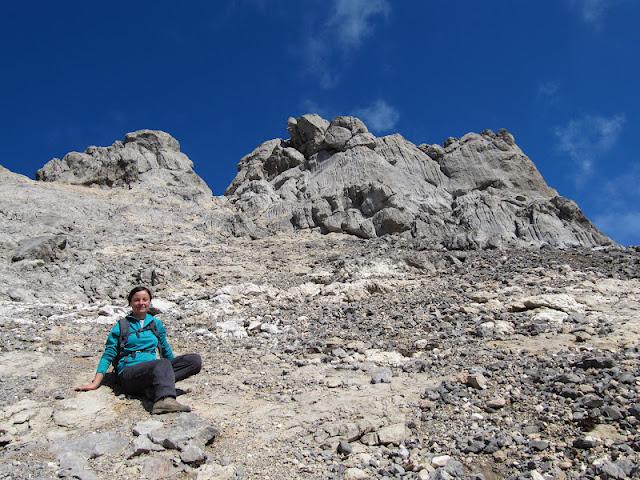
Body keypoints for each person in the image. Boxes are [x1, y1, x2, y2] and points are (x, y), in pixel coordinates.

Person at [75, 286, 202, 414]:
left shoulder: (155, 323)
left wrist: (169, 368)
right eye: (136, 300)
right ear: (130, 303)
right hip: (129, 372)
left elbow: (165, 349)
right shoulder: (122, 325)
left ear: (149, 302)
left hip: (152, 370)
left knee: (194, 360)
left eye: (145, 299)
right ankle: (164, 401)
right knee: (161, 363)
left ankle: (153, 387)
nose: (141, 303)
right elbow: (108, 354)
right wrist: (95, 383)